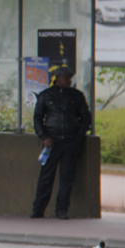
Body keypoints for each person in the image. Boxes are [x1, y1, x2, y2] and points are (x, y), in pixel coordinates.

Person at [31, 66, 92, 219]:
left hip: (70, 141)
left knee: (67, 177)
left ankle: (62, 210)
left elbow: (86, 117)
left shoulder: (76, 96)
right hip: (51, 141)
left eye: (69, 78)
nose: (69, 81)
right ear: (57, 79)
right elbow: (37, 118)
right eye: (65, 78)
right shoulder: (46, 96)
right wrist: (43, 136)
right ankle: (38, 209)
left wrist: (78, 137)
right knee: (46, 178)